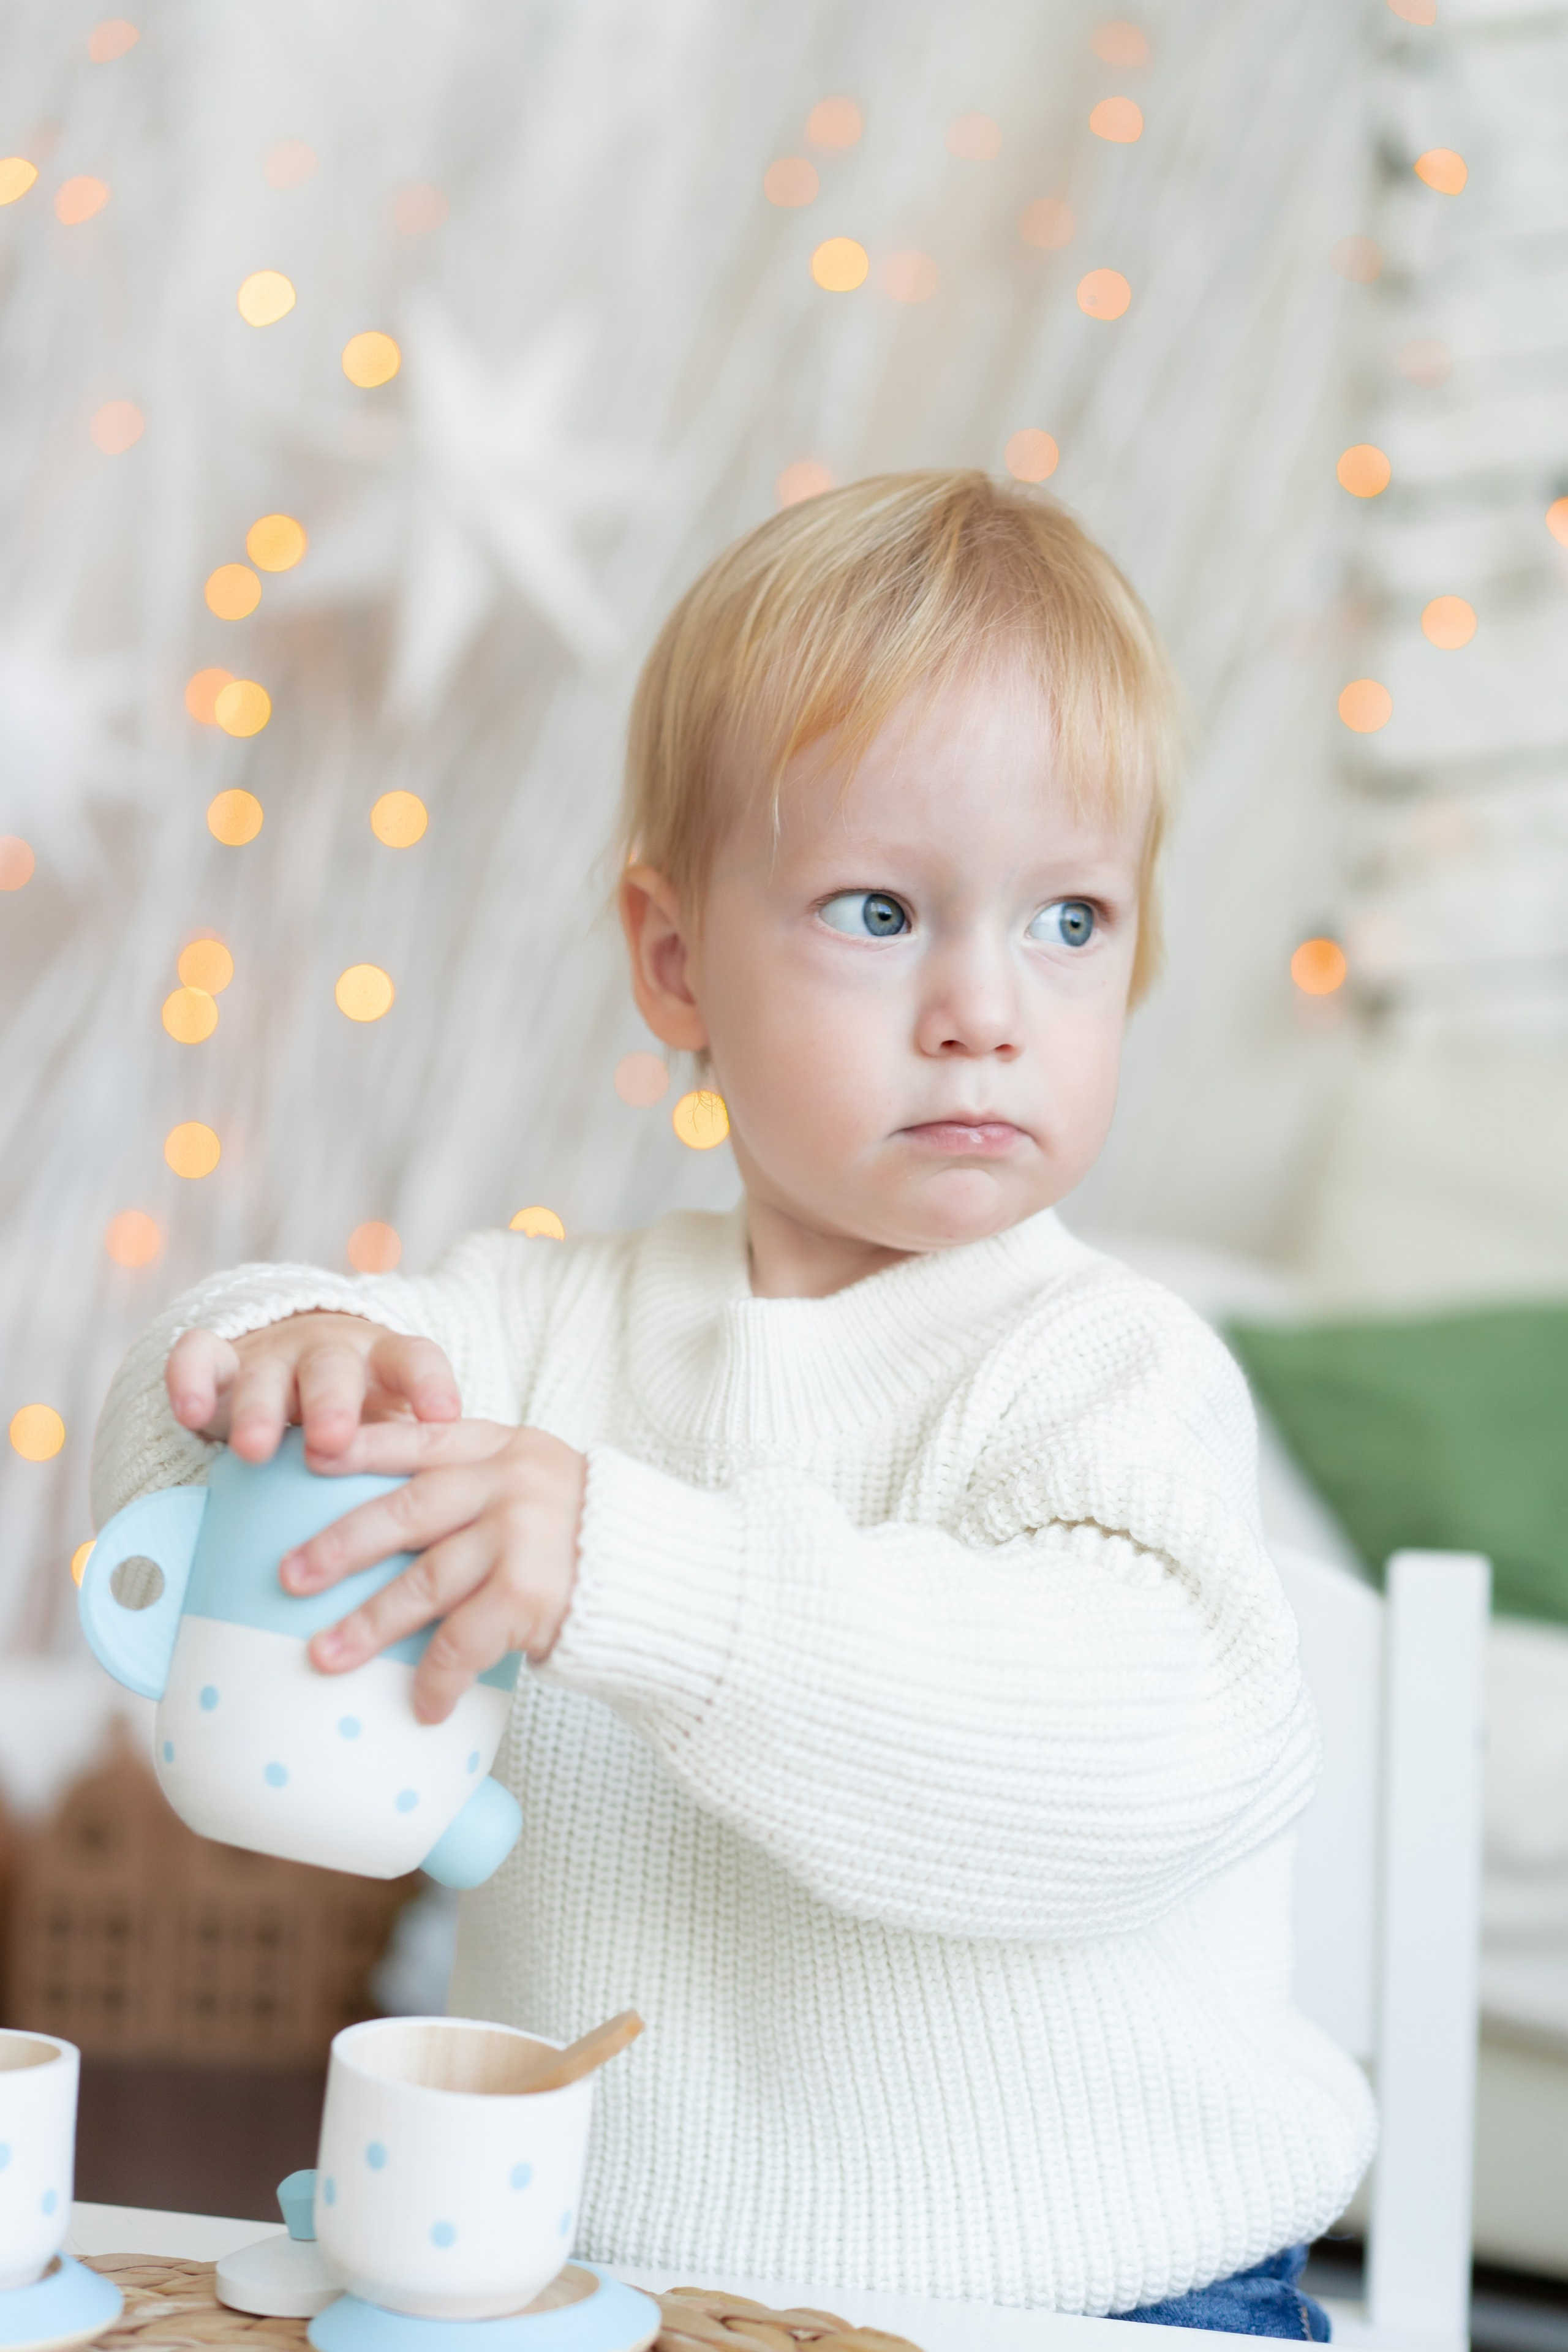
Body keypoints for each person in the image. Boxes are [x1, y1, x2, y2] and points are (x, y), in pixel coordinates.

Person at [94, 473, 1372, 2333]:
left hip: (1104, 2299)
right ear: (675, 957)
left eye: (1071, 920)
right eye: (882, 908)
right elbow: (195, 1437)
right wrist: (284, 1362)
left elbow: (1130, 1753)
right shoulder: (545, 1326)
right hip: (606, 2286)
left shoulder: (1110, 1368)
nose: (984, 1007)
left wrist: (640, 1578)